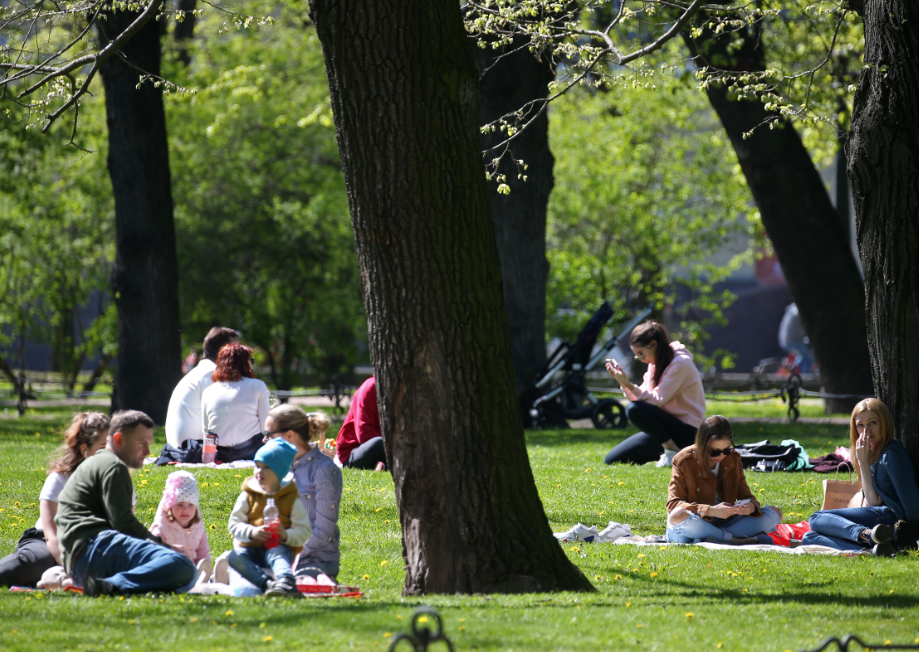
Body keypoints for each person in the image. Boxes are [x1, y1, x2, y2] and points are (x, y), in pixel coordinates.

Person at [55, 410, 197, 596]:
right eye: (141, 443)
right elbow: (123, 523)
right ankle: (111, 585)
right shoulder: (113, 465)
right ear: (119, 439)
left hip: (78, 559)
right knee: (182, 565)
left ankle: (106, 585)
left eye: (148, 444)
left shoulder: (97, 462)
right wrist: (164, 546)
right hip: (93, 548)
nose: (147, 452)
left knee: (172, 570)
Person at [0, 412, 109, 587]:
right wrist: (73, 568)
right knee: (38, 561)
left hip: (94, 544)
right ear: (85, 450)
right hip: (49, 542)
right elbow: (51, 535)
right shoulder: (60, 479)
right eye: (104, 447)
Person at [802, 399, 919, 555]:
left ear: (884, 424)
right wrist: (863, 462)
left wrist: (913, 535)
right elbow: (873, 501)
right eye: (860, 425)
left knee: (816, 518)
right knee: (809, 537)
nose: (866, 431)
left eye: (872, 423)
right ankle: (872, 549)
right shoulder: (871, 453)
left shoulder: (890, 455)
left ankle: (867, 535)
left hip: (891, 519)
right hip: (879, 520)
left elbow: (911, 501)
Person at [666, 415, 782, 544]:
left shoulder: (733, 458)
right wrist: (710, 510)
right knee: (677, 515)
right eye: (714, 452)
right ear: (702, 445)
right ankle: (732, 539)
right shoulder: (684, 460)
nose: (721, 456)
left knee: (775, 512)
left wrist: (751, 507)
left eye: (727, 450)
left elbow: (747, 496)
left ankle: (713, 536)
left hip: (724, 523)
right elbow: (673, 504)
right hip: (695, 522)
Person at [603, 321, 706, 466]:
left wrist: (629, 384)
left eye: (641, 354)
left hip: (686, 431)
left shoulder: (680, 363)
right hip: (664, 429)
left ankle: (674, 451)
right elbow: (641, 398)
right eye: (637, 356)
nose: (641, 359)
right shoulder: (655, 364)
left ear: (653, 344)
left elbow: (655, 400)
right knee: (612, 460)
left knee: (633, 409)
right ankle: (671, 452)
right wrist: (623, 383)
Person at [266, 404, 342, 582]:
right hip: (278, 555)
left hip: (314, 559)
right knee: (235, 560)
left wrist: (288, 552)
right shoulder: (279, 467)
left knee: (296, 578)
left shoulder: (324, 469)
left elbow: (325, 529)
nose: (265, 440)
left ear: (289, 435)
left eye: (269, 435)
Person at [227, 438, 311, 597]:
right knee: (235, 556)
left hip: (280, 548)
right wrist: (252, 532)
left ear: (279, 472)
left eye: (266, 467)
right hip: (250, 549)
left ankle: (286, 581)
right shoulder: (248, 495)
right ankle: (267, 584)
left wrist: (285, 535)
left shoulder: (290, 498)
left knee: (276, 553)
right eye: (257, 466)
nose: (259, 471)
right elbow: (234, 524)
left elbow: (304, 531)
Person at [165, 327, 240, 447]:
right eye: (235, 350)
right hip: (191, 448)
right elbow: (223, 416)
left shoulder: (203, 371)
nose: (240, 354)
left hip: (186, 446)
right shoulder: (210, 374)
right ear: (222, 351)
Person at [201, 342, 270, 462]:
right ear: (244, 363)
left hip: (220, 453)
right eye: (251, 360)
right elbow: (265, 428)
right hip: (251, 450)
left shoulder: (208, 391)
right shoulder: (258, 386)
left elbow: (206, 430)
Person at [150, 471, 211, 578]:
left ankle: (209, 577)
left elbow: (203, 552)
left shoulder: (198, 527)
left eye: (190, 505)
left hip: (193, 571)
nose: (185, 510)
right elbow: (153, 555)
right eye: (180, 505)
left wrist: (205, 567)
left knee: (203, 572)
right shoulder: (161, 529)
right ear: (170, 507)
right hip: (168, 573)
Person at [336, 376, 385, 470]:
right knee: (378, 443)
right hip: (354, 451)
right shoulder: (370, 387)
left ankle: (383, 465)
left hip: (386, 448)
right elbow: (364, 434)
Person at [778, 303, 814, 374]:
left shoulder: (793, 309)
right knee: (808, 359)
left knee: (803, 357)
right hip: (792, 341)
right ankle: (806, 377)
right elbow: (806, 328)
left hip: (786, 340)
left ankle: (795, 367)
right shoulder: (798, 313)